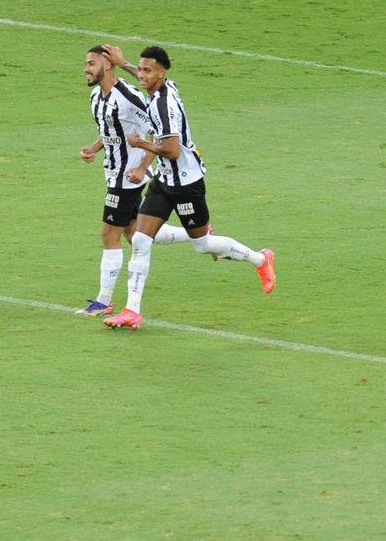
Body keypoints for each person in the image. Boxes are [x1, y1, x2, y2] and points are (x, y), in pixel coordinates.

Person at [101, 45, 275, 330]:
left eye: (147, 70)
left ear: (162, 72)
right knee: (141, 240)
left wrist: (141, 144)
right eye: (141, 69)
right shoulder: (162, 86)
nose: (141, 75)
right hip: (164, 180)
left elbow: (170, 150)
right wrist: (123, 65)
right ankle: (132, 310)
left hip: (186, 184)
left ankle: (260, 259)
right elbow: (146, 80)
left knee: (202, 244)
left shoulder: (162, 105)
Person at [77, 45, 196, 317]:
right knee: (135, 235)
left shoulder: (128, 97)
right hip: (113, 172)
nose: (86, 68)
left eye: (91, 63)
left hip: (127, 177)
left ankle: (103, 300)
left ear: (107, 66)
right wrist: (94, 149)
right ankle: (198, 234)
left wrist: (142, 168)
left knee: (109, 234)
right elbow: (112, 131)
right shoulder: (97, 96)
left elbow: (155, 132)